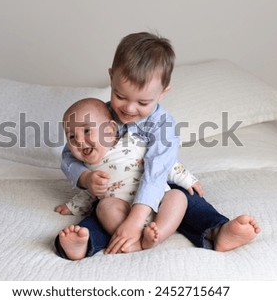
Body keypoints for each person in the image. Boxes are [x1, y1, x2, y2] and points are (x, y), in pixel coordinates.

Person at [55, 32, 260, 260]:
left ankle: (218, 230)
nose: (130, 109)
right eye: (120, 96)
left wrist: (136, 218)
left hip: (158, 185)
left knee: (186, 199)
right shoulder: (96, 115)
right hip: (116, 191)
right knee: (102, 209)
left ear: (163, 93)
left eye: (143, 102)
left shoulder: (163, 125)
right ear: (111, 78)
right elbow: (69, 153)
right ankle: (84, 243)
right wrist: (84, 178)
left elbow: (157, 170)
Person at [55, 98, 201, 254]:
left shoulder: (132, 142)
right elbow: (91, 193)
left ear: (110, 130)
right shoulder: (89, 169)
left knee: (177, 196)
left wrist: (187, 179)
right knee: (104, 207)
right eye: (71, 136)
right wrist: (72, 206)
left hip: (157, 202)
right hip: (122, 214)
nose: (78, 140)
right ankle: (134, 239)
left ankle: (158, 233)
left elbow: (163, 163)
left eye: (86, 131)